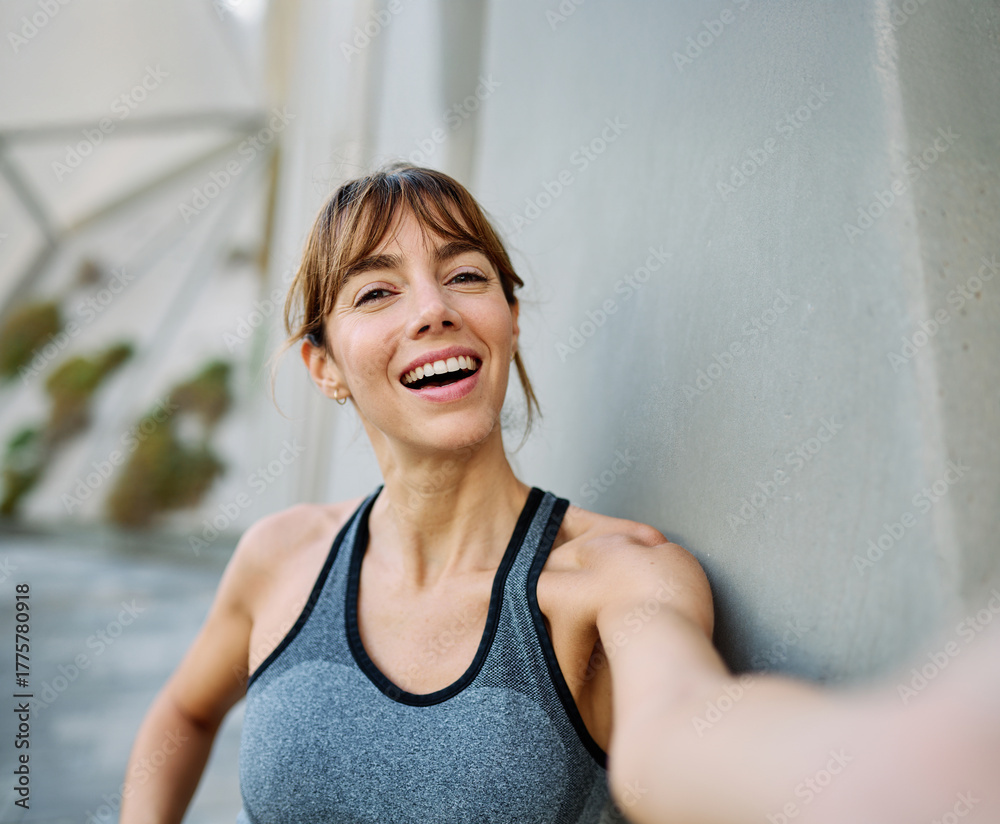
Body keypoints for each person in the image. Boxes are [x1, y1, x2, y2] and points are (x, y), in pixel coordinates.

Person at [120, 163, 1000, 824]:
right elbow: (185, 711)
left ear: (506, 316)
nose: (433, 308)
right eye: (378, 290)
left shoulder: (612, 577)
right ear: (326, 367)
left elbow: (678, 732)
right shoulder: (280, 559)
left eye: (466, 275)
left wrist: (901, 760)